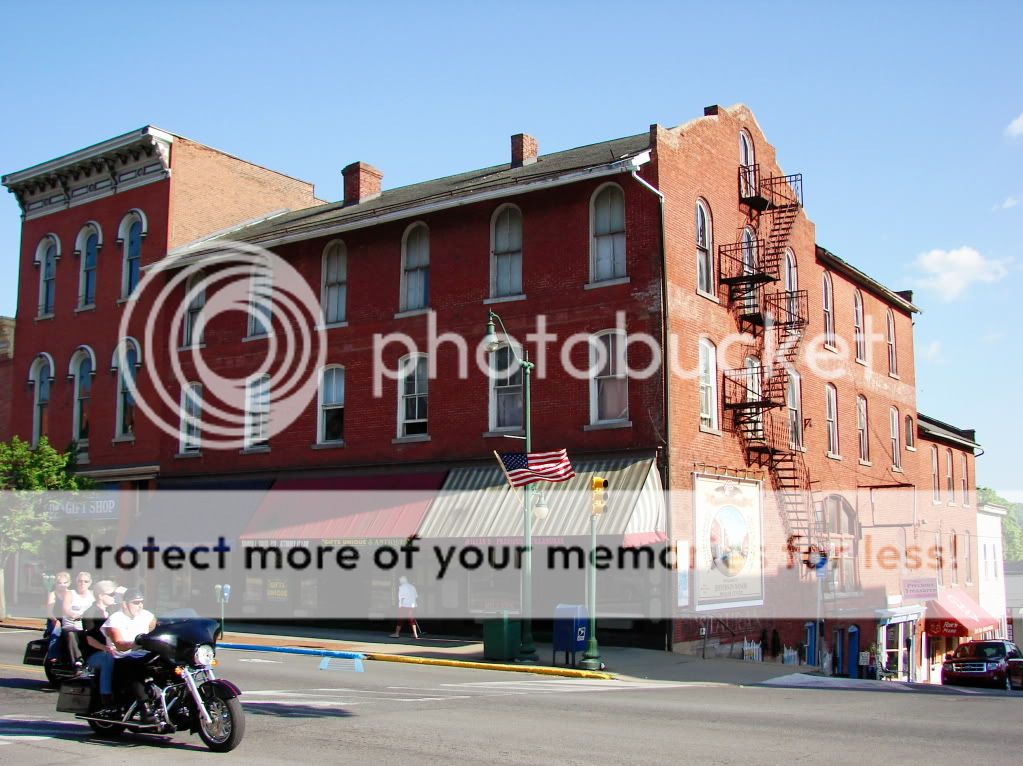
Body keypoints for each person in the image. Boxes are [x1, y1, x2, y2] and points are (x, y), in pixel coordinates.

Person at [101, 588, 157, 721]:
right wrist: (136, 643)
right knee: (133, 669)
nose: (140, 605)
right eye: (136, 603)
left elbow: (156, 629)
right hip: (121, 658)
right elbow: (119, 644)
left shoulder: (147, 615)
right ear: (125, 604)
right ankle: (145, 707)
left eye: (141, 602)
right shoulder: (115, 619)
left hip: (143, 656)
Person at [82, 580, 118, 711]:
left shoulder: (114, 611)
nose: (114, 597)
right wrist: (106, 649)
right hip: (94, 654)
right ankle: (106, 696)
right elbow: (90, 639)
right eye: (111, 594)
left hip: (114, 649)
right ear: (100, 595)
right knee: (108, 659)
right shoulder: (90, 613)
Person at [61, 571, 95, 668]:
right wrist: (73, 614)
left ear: (90, 583)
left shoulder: (92, 594)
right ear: (76, 582)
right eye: (80, 581)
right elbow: (65, 608)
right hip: (72, 625)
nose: (82, 583)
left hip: (87, 625)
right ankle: (78, 660)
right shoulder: (70, 593)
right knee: (71, 634)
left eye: (85, 581)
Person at [44, 572, 71, 662]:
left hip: (69, 619)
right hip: (55, 619)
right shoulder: (52, 594)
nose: (62, 585)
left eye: (65, 583)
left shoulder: (71, 594)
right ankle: (52, 655)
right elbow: (49, 612)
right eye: (59, 583)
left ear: (69, 583)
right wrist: (56, 621)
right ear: (56, 584)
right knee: (57, 631)